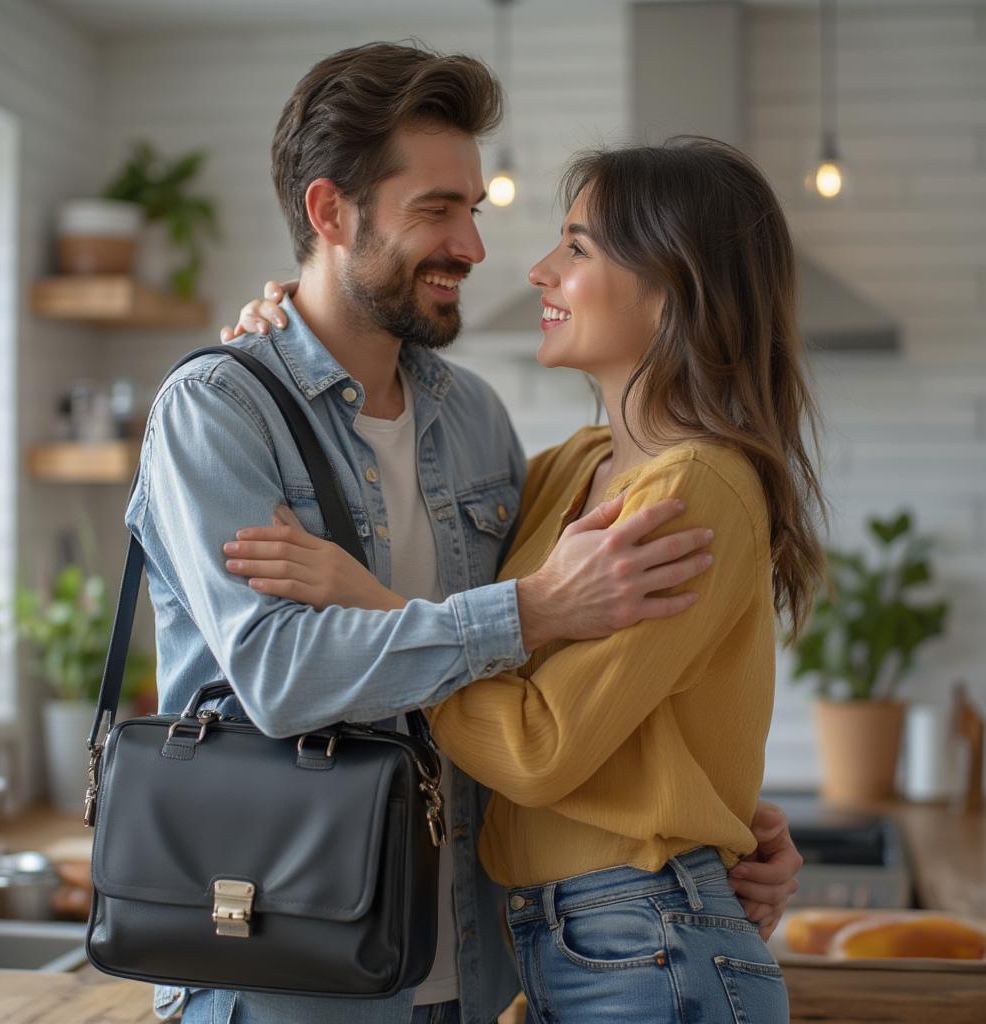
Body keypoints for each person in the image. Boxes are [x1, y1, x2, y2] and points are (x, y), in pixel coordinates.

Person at [133, 41, 802, 1024]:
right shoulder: (221, 410)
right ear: (330, 213)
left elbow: (564, 687)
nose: (477, 249)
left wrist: (713, 818)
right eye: (434, 211)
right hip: (289, 970)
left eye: (473, 210)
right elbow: (280, 678)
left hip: (478, 968)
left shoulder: (477, 421)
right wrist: (527, 609)